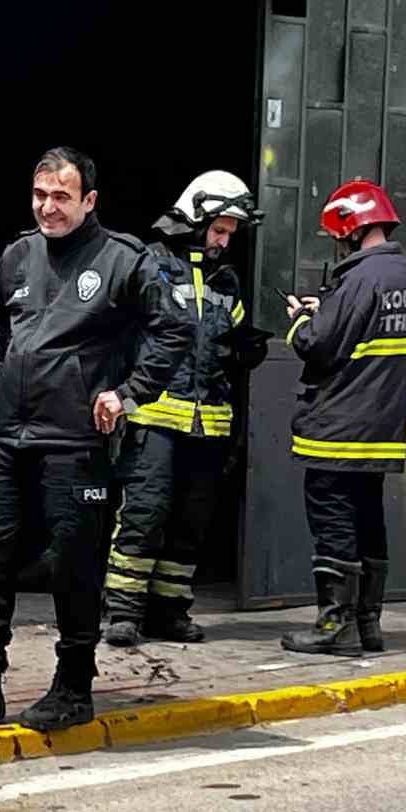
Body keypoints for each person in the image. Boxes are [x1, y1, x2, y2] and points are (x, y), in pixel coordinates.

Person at [0, 147, 192, 731]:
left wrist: (129, 394)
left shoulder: (122, 260)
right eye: (40, 195)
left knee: (72, 563)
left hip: (76, 441)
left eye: (61, 196)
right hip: (9, 436)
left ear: (89, 200)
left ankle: (73, 687)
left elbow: (174, 328)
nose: (48, 207)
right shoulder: (18, 254)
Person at [103, 171, 268, 647]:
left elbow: (227, 341)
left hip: (209, 421)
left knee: (190, 522)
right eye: (219, 230)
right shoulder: (151, 264)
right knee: (144, 513)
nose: (224, 241)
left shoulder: (227, 280)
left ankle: (169, 611)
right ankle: (123, 611)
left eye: (230, 233)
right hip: (154, 418)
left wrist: (243, 350)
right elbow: (121, 335)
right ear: (195, 220)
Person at [280, 178, 406, 655]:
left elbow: (317, 345)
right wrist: (330, 309)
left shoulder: (361, 277)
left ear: (351, 228)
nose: (336, 245)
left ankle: (333, 624)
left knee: (334, 522)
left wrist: (302, 319)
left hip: (338, 428)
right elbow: (363, 331)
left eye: (336, 236)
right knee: (368, 520)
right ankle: (368, 624)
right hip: (380, 429)